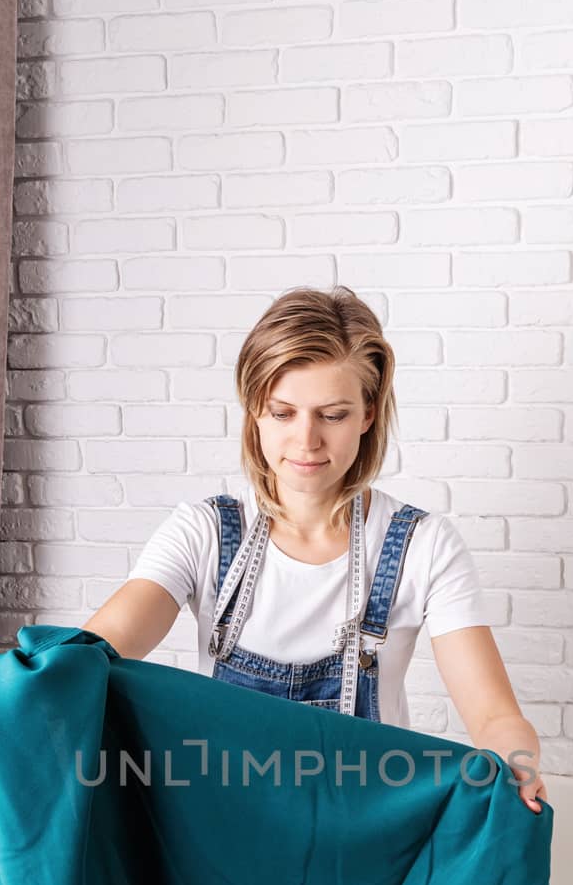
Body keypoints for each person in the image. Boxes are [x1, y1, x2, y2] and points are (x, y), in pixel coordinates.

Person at [83, 285, 546, 813]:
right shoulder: (204, 533)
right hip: (225, 830)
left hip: (364, 835)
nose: (306, 441)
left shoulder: (422, 546)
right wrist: (39, 686)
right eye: (283, 413)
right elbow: (101, 651)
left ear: (368, 415)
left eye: (333, 414)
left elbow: (493, 715)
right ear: (254, 410)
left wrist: (517, 763)